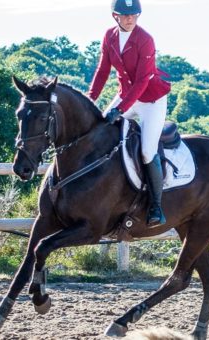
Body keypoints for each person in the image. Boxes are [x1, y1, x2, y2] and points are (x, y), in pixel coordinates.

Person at [88, 0, 171, 227]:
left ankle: (156, 206)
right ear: (115, 16)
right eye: (125, 15)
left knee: (146, 151)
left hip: (151, 100)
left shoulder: (145, 39)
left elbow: (143, 80)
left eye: (134, 14)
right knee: (100, 131)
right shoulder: (109, 36)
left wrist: (121, 109)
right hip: (127, 95)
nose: (130, 19)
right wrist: (90, 98)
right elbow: (102, 70)